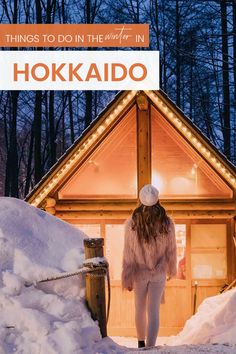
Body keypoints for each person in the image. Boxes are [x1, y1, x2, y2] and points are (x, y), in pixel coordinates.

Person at [122, 184, 177, 348]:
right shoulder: (167, 223)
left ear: (140, 200)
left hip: (139, 272)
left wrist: (128, 278)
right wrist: (171, 270)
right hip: (158, 272)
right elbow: (171, 250)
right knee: (153, 311)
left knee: (139, 308)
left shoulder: (131, 224)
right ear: (157, 199)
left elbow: (128, 254)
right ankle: (151, 346)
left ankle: (141, 343)